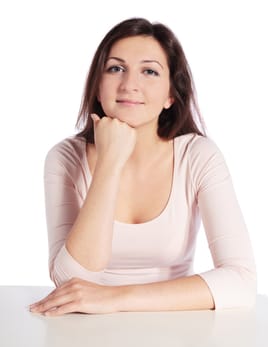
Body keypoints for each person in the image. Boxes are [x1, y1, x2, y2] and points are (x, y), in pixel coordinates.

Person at [29, 17, 256, 316]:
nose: (129, 84)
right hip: (82, 333)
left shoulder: (198, 156)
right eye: (115, 68)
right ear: (97, 87)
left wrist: (115, 298)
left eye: (149, 71)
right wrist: (109, 164)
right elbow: (71, 281)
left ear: (171, 95)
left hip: (176, 329)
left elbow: (240, 281)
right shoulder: (65, 158)